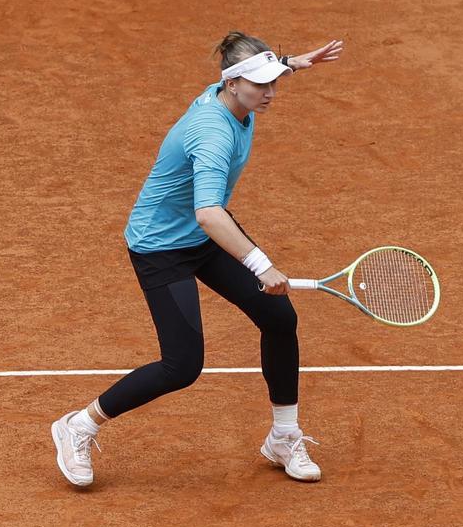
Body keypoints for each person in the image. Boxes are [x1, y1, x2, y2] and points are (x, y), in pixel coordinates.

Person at [50, 31, 344, 488]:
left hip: (202, 237)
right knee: (182, 365)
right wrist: (261, 264)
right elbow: (208, 213)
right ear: (231, 83)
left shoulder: (232, 96)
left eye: (275, 81)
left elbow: (253, 70)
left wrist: (292, 61)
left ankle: (284, 436)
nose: (270, 93)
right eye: (260, 83)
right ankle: (79, 425)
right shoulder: (212, 133)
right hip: (162, 246)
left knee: (278, 316)